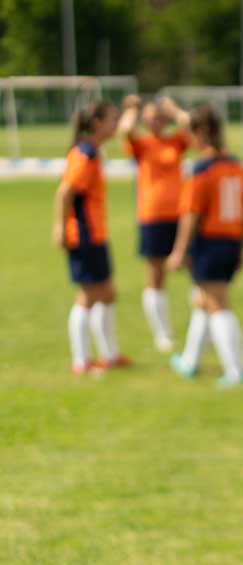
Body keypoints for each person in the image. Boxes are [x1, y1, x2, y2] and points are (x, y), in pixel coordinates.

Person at [166, 105, 243, 386]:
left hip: (211, 241)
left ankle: (235, 370)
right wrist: (242, 246)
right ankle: (190, 361)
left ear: (202, 133)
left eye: (190, 134)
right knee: (202, 301)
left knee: (217, 303)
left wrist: (180, 250)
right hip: (231, 240)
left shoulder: (202, 170)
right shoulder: (238, 166)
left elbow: (191, 214)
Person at [53, 99, 131, 375]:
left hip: (96, 233)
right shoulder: (85, 154)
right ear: (97, 123)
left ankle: (109, 355)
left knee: (108, 294)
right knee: (87, 296)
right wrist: (61, 229)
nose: (116, 124)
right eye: (112, 119)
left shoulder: (93, 152)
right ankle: (81, 361)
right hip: (84, 235)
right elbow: (65, 193)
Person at [117, 94, 191, 353]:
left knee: (195, 270)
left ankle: (205, 324)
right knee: (156, 275)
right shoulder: (142, 144)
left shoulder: (176, 141)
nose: (155, 121)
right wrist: (133, 109)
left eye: (159, 117)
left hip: (180, 215)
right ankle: (162, 333)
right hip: (152, 216)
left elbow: (191, 124)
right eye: (151, 117)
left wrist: (173, 108)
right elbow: (125, 130)